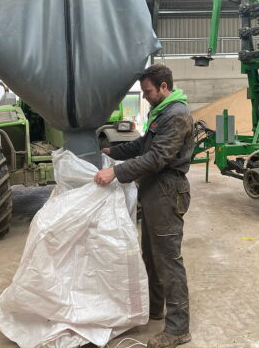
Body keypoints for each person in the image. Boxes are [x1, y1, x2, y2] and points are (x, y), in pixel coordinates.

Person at [94, 64, 194, 348]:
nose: (145, 96)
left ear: (164, 87)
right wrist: (111, 151)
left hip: (167, 190)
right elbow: (142, 146)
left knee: (168, 260)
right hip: (153, 190)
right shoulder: (162, 112)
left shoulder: (176, 115)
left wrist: (116, 172)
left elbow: (157, 158)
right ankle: (154, 309)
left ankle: (178, 329)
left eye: (148, 91)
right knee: (151, 256)